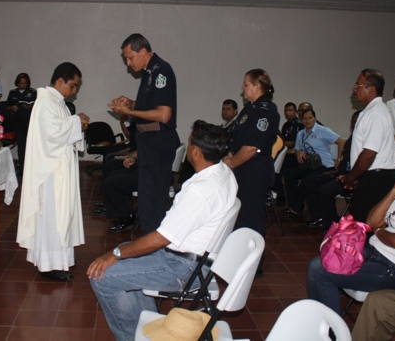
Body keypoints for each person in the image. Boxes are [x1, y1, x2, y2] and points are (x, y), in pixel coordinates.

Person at [88, 120, 237, 341]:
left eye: (189, 143)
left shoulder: (201, 191)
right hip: (198, 262)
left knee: (102, 276)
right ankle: (147, 327)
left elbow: (161, 239)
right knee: (126, 251)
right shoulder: (224, 173)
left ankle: (131, 337)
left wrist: (115, 254)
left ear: (196, 151)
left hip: (182, 268)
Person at [308, 146, 395, 312]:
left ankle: (328, 326)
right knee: (315, 265)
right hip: (374, 254)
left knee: (323, 274)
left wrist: (378, 231)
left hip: (394, 269)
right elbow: (372, 221)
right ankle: (314, 317)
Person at [16, 62, 90, 282]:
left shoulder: (57, 102)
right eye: (73, 85)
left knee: (61, 215)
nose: (74, 91)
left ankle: (60, 260)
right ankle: (49, 264)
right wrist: (77, 121)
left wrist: (78, 125)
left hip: (60, 169)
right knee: (53, 216)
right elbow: (52, 134)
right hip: (51, 174)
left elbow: (64, 131)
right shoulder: (46, 102)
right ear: (60, 81)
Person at [108, 33, 179, 234]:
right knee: (147, 202)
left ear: (143, 51)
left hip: (158, 144)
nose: (128, 63)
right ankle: (150, 245)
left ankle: (154, 247)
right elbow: (151, 106)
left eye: (130, 58)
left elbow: (163, 114)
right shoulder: (149, 72)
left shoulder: (161, 71)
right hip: (149, 145)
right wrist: (131, 103)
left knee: (152, 203)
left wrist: (129, 112)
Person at [223, 69, 280, 275]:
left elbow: (251, 147)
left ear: (258, 86)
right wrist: (229, 156)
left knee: (252, 219)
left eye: (246, 84)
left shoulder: (265, 111)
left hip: (254, 170)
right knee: (241, 217)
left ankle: (254, 266)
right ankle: (240, 259)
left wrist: (231, 162)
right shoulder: (250, 109)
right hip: (243, 168)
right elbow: (238, 139)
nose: (243, 87)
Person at [339, 69, 395, 223]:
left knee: (365, 223)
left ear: (371, 89)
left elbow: (369, 153)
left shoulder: (375, 113)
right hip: (371, 176)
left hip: (377, 179)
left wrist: (351, 178)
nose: (354, 89)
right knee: (362, 220)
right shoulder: (371, 111)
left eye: (358, 85)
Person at [302, 111, 360, 229]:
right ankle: (318, 217)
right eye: (353, 121)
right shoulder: (352, 138)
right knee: (308, 182)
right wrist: (337, 169)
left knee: (325, 190)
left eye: (357, 121)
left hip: (350, 178)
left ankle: (332, 223)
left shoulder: (362, 139)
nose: (354, 124)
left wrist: (348, 176)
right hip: (338, 173)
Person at [283, 109, 345, 218]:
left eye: (310, 118)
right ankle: (292, 204)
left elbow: (341, 141)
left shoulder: (323, 130)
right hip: (309, 165)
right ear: (301, 120)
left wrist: (339, 160)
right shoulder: (300, 133)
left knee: (307, 179)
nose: (307, 120)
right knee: (289, 173)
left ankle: (296, 208)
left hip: (324, 165)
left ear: (315, 119)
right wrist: (299, 152)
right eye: (304, 118)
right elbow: (296, 149)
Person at [6, 73, 37, 174]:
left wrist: (30, 106)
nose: (23, 85)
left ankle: (33, 166)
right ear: (17, 83)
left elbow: (37, 104)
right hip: (18, 121)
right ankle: (22, 167)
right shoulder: (13, 92)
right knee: (21, 144)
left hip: (30, 121)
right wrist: (12, 108)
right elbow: (7, 106)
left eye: (25, 83)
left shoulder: (32, 92)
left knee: (32, 143)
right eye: (21, 83)